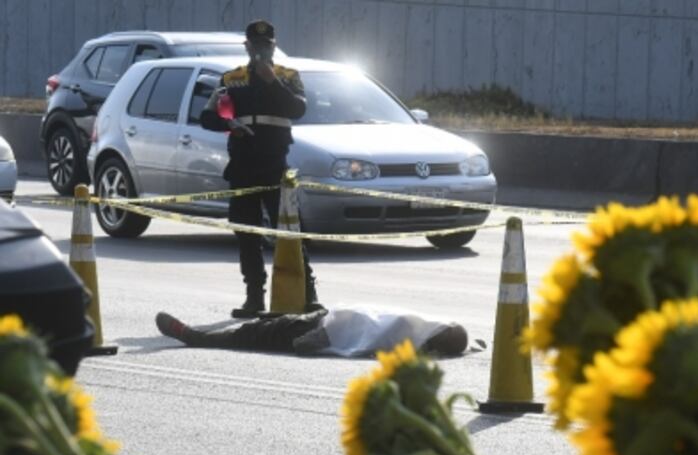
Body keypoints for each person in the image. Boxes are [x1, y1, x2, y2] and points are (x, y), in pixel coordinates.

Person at [200, 19, 321, 318]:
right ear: (247, 46)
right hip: (242, 164)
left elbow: (298, 109)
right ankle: (254, 297)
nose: (261, 51)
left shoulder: (288, 76)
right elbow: (206, 117)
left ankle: (309, 294)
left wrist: (272, 81)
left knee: (290, 231)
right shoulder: (232, 78)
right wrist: (228, 124)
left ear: (274, 47)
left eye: (266, 46)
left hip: (274, 164)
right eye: (256, 46)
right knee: (246, 232)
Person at [154, 308, 469, 358]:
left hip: (322, 327)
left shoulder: (414, 331)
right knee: (263, 325)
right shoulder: (418, 332)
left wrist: (312, 340)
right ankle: (198, 336)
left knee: (252, 333)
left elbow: (359, 335)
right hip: (325, 318)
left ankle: (195, 337)